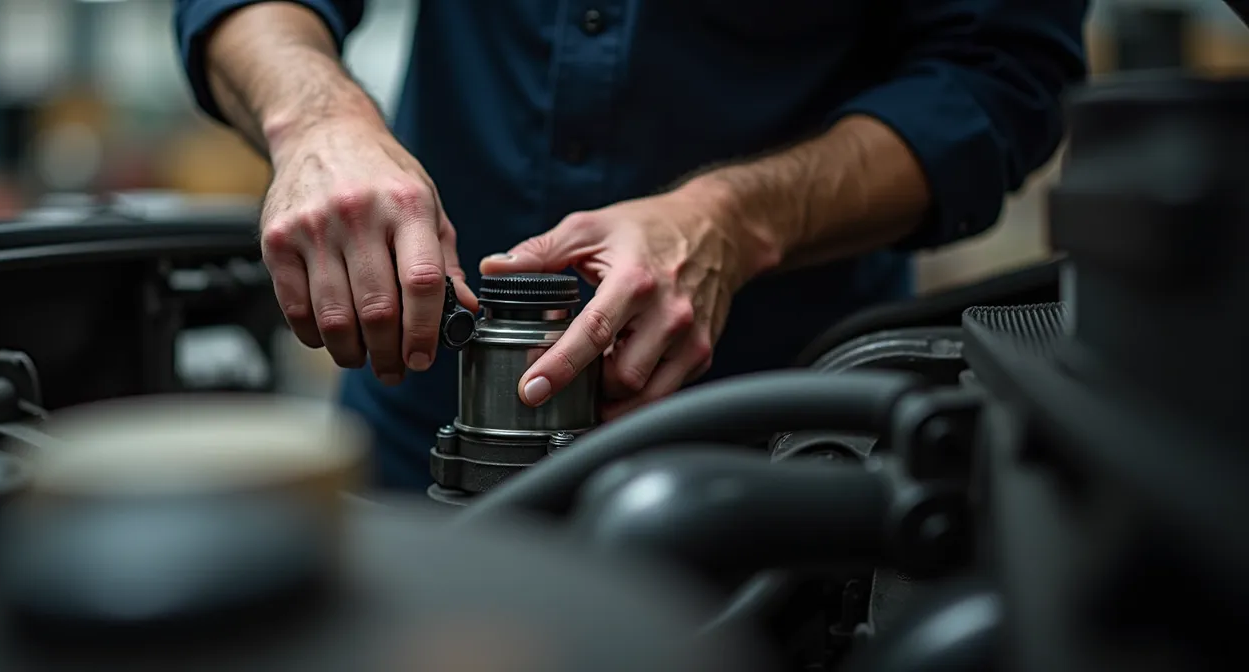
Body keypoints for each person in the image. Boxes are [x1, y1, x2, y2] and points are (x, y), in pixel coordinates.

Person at [175, 0, 1087, 490]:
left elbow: (996, 78)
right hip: (418, 440)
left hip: (775, 457)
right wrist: (316, 115)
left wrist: (735, 218)